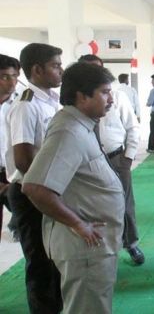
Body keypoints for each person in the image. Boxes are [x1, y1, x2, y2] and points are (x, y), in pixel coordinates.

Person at [22, 63, 125, 314]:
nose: (111, 99)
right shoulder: (69, 131)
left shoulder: (81, 125)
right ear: (81, 96)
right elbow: (35, 187)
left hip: (92, 247)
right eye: (104, 92)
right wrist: (79, 224)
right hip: (84, 248)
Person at [5, 43, 63, 313]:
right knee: (40, 262)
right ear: (37, 70)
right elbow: (23, 160)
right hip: (32, 192)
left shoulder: (50, 101)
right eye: (55, 65)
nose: (60, 70)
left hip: (48, 188)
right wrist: (49, 187)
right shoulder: (26, 105)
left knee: (55, 258)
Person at [78, 55, 144, 265]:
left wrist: (128, 157)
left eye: (96, 70)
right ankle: (101, 249)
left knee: (124, 203)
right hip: (87, 162)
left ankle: (131, 244)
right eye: (87, 71)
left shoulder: (116, 97)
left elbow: (132, 127)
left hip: (116, 159)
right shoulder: (77, 100)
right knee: (92, 206)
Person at [0, 54, 20, 242]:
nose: (12, 81)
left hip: (14, 173)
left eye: (15, 76)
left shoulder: (22, 103)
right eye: (6, 76)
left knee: (27, 224)